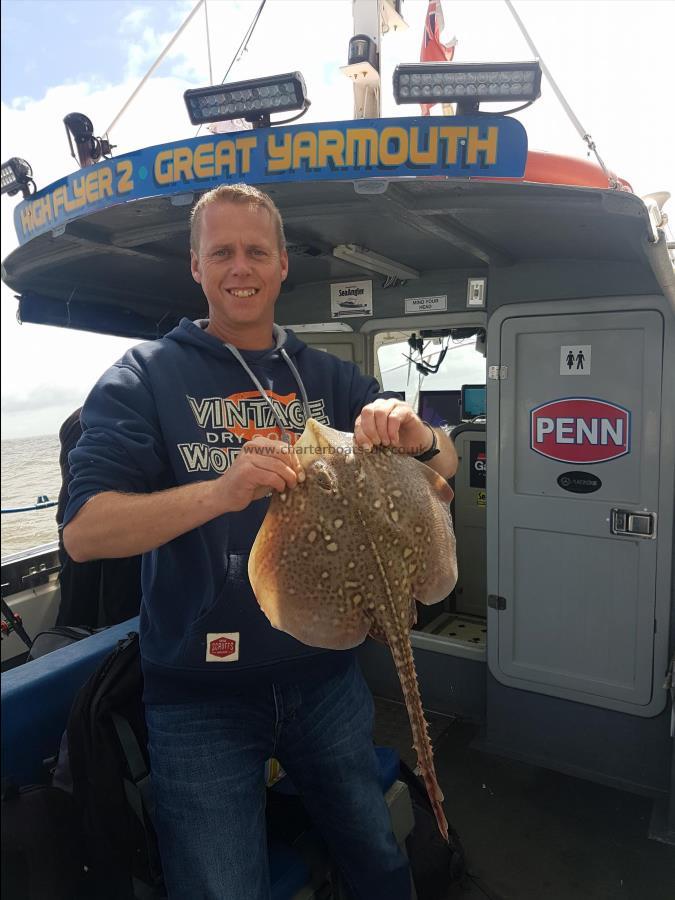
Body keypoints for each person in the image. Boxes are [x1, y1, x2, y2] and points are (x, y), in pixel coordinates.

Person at [63, 183, 458, 899]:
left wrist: (419, 432)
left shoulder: (330, 376)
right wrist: (220, 492)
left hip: (325, 676)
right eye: (222, 252)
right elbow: (86, 533)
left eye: (255, 251)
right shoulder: (143, 377)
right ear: (196, 266)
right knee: (222, 886)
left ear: (280, 266)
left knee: (375, 848)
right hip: (198, 695)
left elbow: (441, 469)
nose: (238, 267)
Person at [55, 407, 142, 628]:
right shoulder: (120, 418)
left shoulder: (77, 418)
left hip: (73, 527)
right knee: (119, 615)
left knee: (75, 612)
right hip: (110, 532)